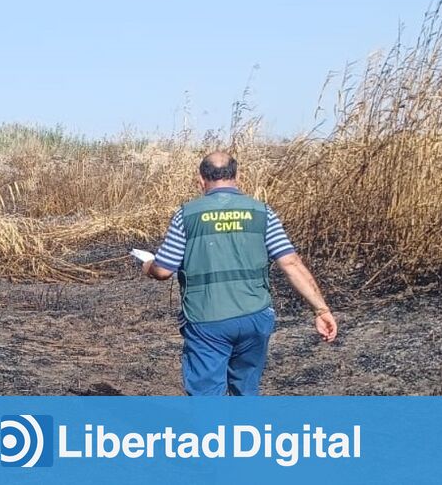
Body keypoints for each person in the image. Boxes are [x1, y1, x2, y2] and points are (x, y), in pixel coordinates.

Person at [140, 151, 338, 396]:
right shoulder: (262, 212)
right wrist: (321, 309)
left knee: (206, 398)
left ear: (201, 179)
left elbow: (164, 270)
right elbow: (291, 264)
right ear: (238, 176)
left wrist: (148, 264)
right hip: (255, 315)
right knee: (246, 392)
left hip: (206, 318)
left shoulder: (187, 215)